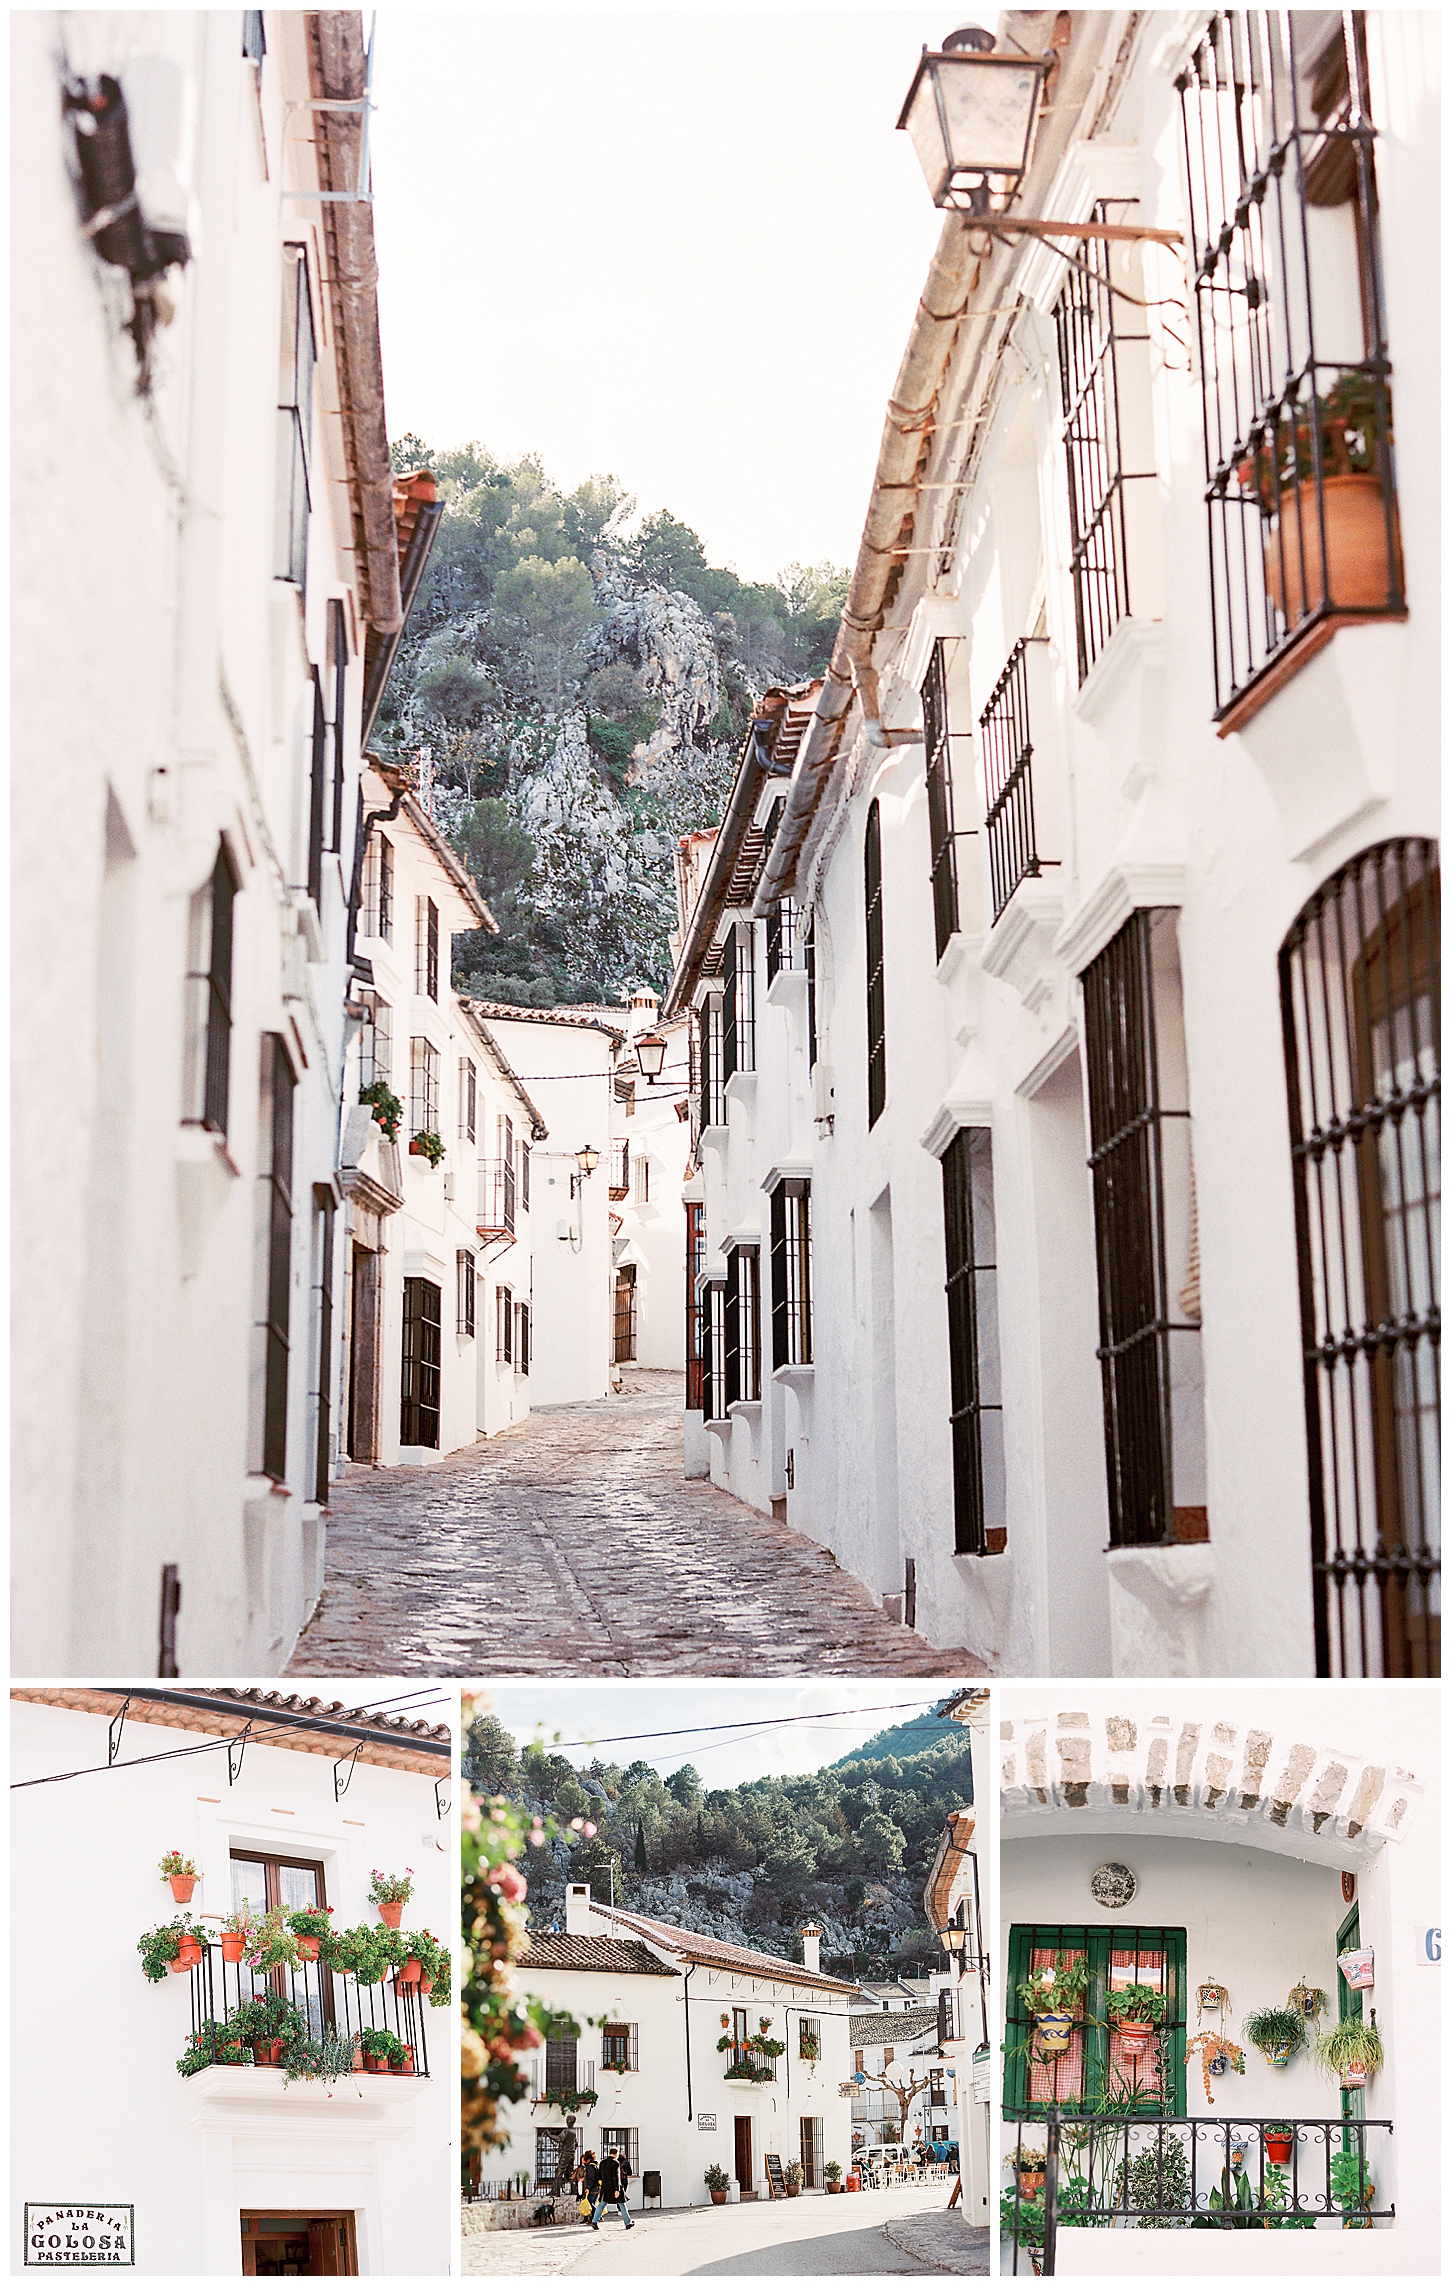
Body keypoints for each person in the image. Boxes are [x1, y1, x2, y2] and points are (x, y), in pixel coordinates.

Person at [591, 2145, 635, 2231]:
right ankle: (628, 2223)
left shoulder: (602, 2163)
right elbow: (616, 2177)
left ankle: (594, 2221)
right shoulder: (615, 2163)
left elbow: (599, 2176)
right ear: (616, 2153)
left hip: (605, 2187)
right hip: (614, 2187)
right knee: (622, 2204)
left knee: (601, 2205)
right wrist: (617, 2189)